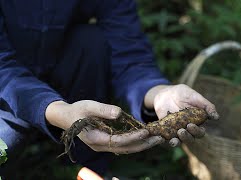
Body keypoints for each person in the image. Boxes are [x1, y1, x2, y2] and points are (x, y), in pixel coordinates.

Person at [0, 0, 219, 176]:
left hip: (63, 68)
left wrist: (159, 92)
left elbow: (128, 50)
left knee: (91, 41)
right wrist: (56, 110)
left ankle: (90, 166)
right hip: (7, 96)